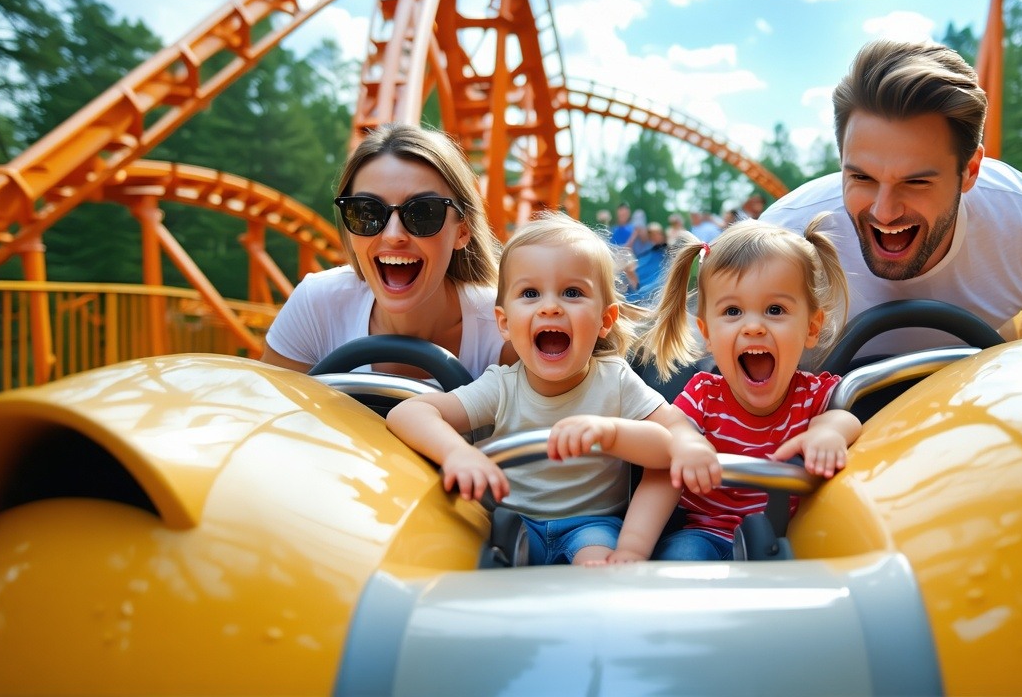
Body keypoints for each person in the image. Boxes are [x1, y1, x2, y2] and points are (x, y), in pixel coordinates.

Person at [385, 212, 720, 566]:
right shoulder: (501, 385)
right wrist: (457, 453)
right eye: (530, 293)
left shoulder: (614, 379)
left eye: (572, 292)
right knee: (467, 555)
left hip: (591, 526)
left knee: (597, 563)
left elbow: (674, 429)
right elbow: (408, 412)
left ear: (605, 320)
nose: (550, 307)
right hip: (512, 524)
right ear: (505, 323)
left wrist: (664, 440)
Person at [763, 39, 1022, 360]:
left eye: (916, 181)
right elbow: (710, 373)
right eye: (862, 177)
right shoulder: (778, 240)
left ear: (969, 171)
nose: (884, 211)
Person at [635, 216, 863, 561]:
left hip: (794, 536)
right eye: (732, 311)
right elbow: (671, 429)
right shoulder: (704, 395)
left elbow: (846, 419)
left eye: (775, 310)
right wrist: (686, 441)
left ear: (811, 327)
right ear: (708, 333)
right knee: (681, 555)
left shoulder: (812, 394)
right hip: (706, 532)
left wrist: (828, 433)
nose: (753, 327)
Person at [261, 123, 516, 379]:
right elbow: (271, 411)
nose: (393, 235)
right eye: (367, 212)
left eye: (422, 213)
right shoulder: (316, 305)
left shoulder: (507, 331)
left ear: (462, 231)